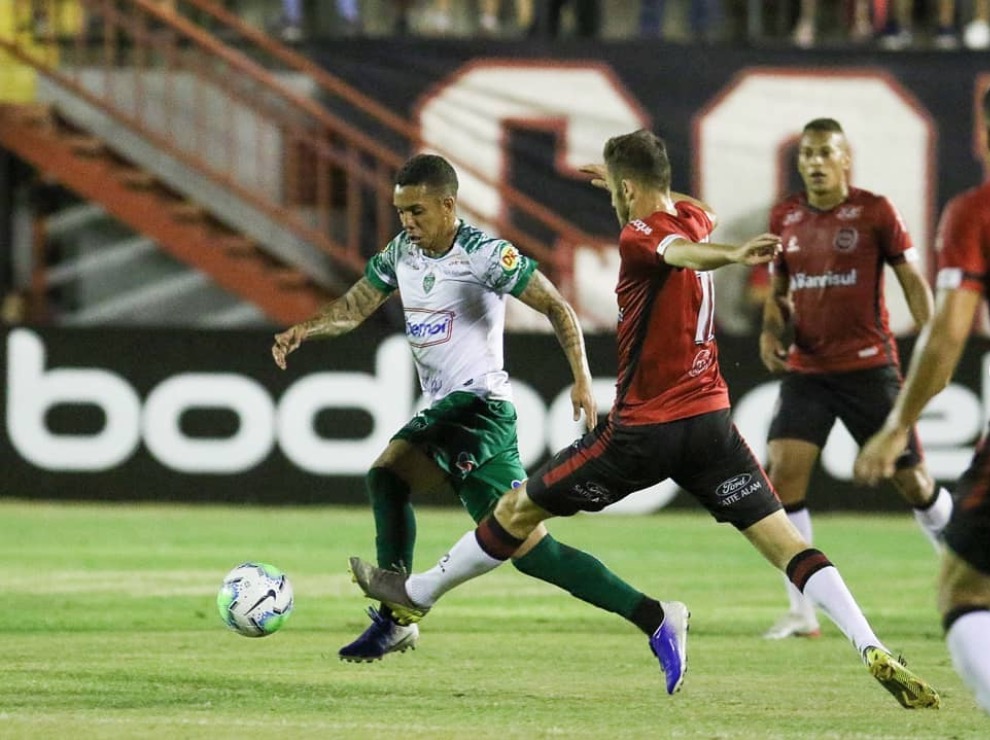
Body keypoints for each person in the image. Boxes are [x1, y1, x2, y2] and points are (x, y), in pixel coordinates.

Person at [347, 130, 941, 708]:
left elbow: (676, 253)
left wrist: (732, 254)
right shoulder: (692, 216)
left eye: (617, 191)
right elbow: (696, 217)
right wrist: (643, 190)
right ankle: (871, 643)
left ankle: (415, 594)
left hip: (643, 432)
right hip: (712, 426)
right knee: (786, 544)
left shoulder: (641, 235)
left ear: (629, 191)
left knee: (516, 510)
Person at [273, 153, 679, 664]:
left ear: (448, 204)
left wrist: (581, 379)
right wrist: (303, 330)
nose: (407, 223)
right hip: (459, 414)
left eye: (417, 211)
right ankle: (657, 616)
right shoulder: (401, 253)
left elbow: (557, 306)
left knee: (388, 473)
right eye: (401, 212)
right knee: (536, 554)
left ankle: (398, 613)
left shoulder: (485, 254)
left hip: (478, 406)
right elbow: (354, 309)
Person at [759, 117, 952, 641]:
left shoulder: (874, 211)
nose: (815, 163)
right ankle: (802, 613)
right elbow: (780, 293)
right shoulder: (786, 217)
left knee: (914, 483)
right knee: (784, 475)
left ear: (846, 159)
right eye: (807, 154)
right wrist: (769, 331)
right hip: (809, 370)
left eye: (825, 153)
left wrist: (933, 344)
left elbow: (912, 281)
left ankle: (967, 576)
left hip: (869, 366)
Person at [854, 87, 990, 715]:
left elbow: (949, 331)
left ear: (981, 134)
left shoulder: (975, 213)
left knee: (964, 590)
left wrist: (897, 423)